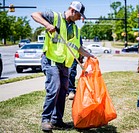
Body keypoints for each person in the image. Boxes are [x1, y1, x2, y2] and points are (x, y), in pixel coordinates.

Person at [31, 1, 95, 132]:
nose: (80, 18)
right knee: (54, 88)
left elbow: (78, 48)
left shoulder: (76, 29)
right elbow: (34, 14)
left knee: (63, 92)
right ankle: (46, 120)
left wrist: (90, 55)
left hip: (65, 64)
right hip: (51, 60)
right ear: (72, 11)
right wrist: (48, 25)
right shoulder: (55, 17)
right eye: (79, 15)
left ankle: (57, 120)